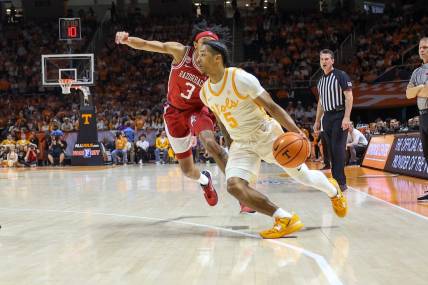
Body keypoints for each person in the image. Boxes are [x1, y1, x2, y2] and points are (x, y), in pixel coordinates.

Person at [197, 40, 347, 239]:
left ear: (217, 58)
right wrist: (231, 145)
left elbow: (272, 107)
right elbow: (222, 120)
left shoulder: (240, 78)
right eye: (197, 55)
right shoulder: (204, 92)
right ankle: (284, 218)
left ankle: (333, 190)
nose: (197, 59)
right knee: (234, 185)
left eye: (203, 54)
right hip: (241, 143)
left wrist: (298, 133)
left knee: (303, 177)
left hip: (266, 135)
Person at [115, 25, 253, 211]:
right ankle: (205, 181)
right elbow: (149, 44)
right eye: (204, 44)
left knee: (211, 145)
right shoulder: (181, 53)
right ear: (195, 45)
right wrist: (127, 39)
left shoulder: (214, 70)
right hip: (173, 113)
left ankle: (243, 195)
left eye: (212, 45)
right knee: (188, 171)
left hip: (197, 111)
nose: (206, 49)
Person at [314, 49, 353, 191]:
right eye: (322, 59)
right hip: (327, 117)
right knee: (329, 150)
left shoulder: (340, 75)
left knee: (338, 149)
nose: (324, 62)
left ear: (332, 61)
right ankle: (335, 180)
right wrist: (317, 120)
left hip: (339, 114)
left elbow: (349, 97)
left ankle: (341, 182)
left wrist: (347, 117)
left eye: (326, 59)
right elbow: (321, 102)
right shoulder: (320, 81)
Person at [406, 37, 428, 202]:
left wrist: (417, 90)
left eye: (426, 47)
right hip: (422, 115)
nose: (422, 50)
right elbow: (408, 94)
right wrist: (420, 88)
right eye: (420, 47)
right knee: (427, 155)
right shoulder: (416, 72)